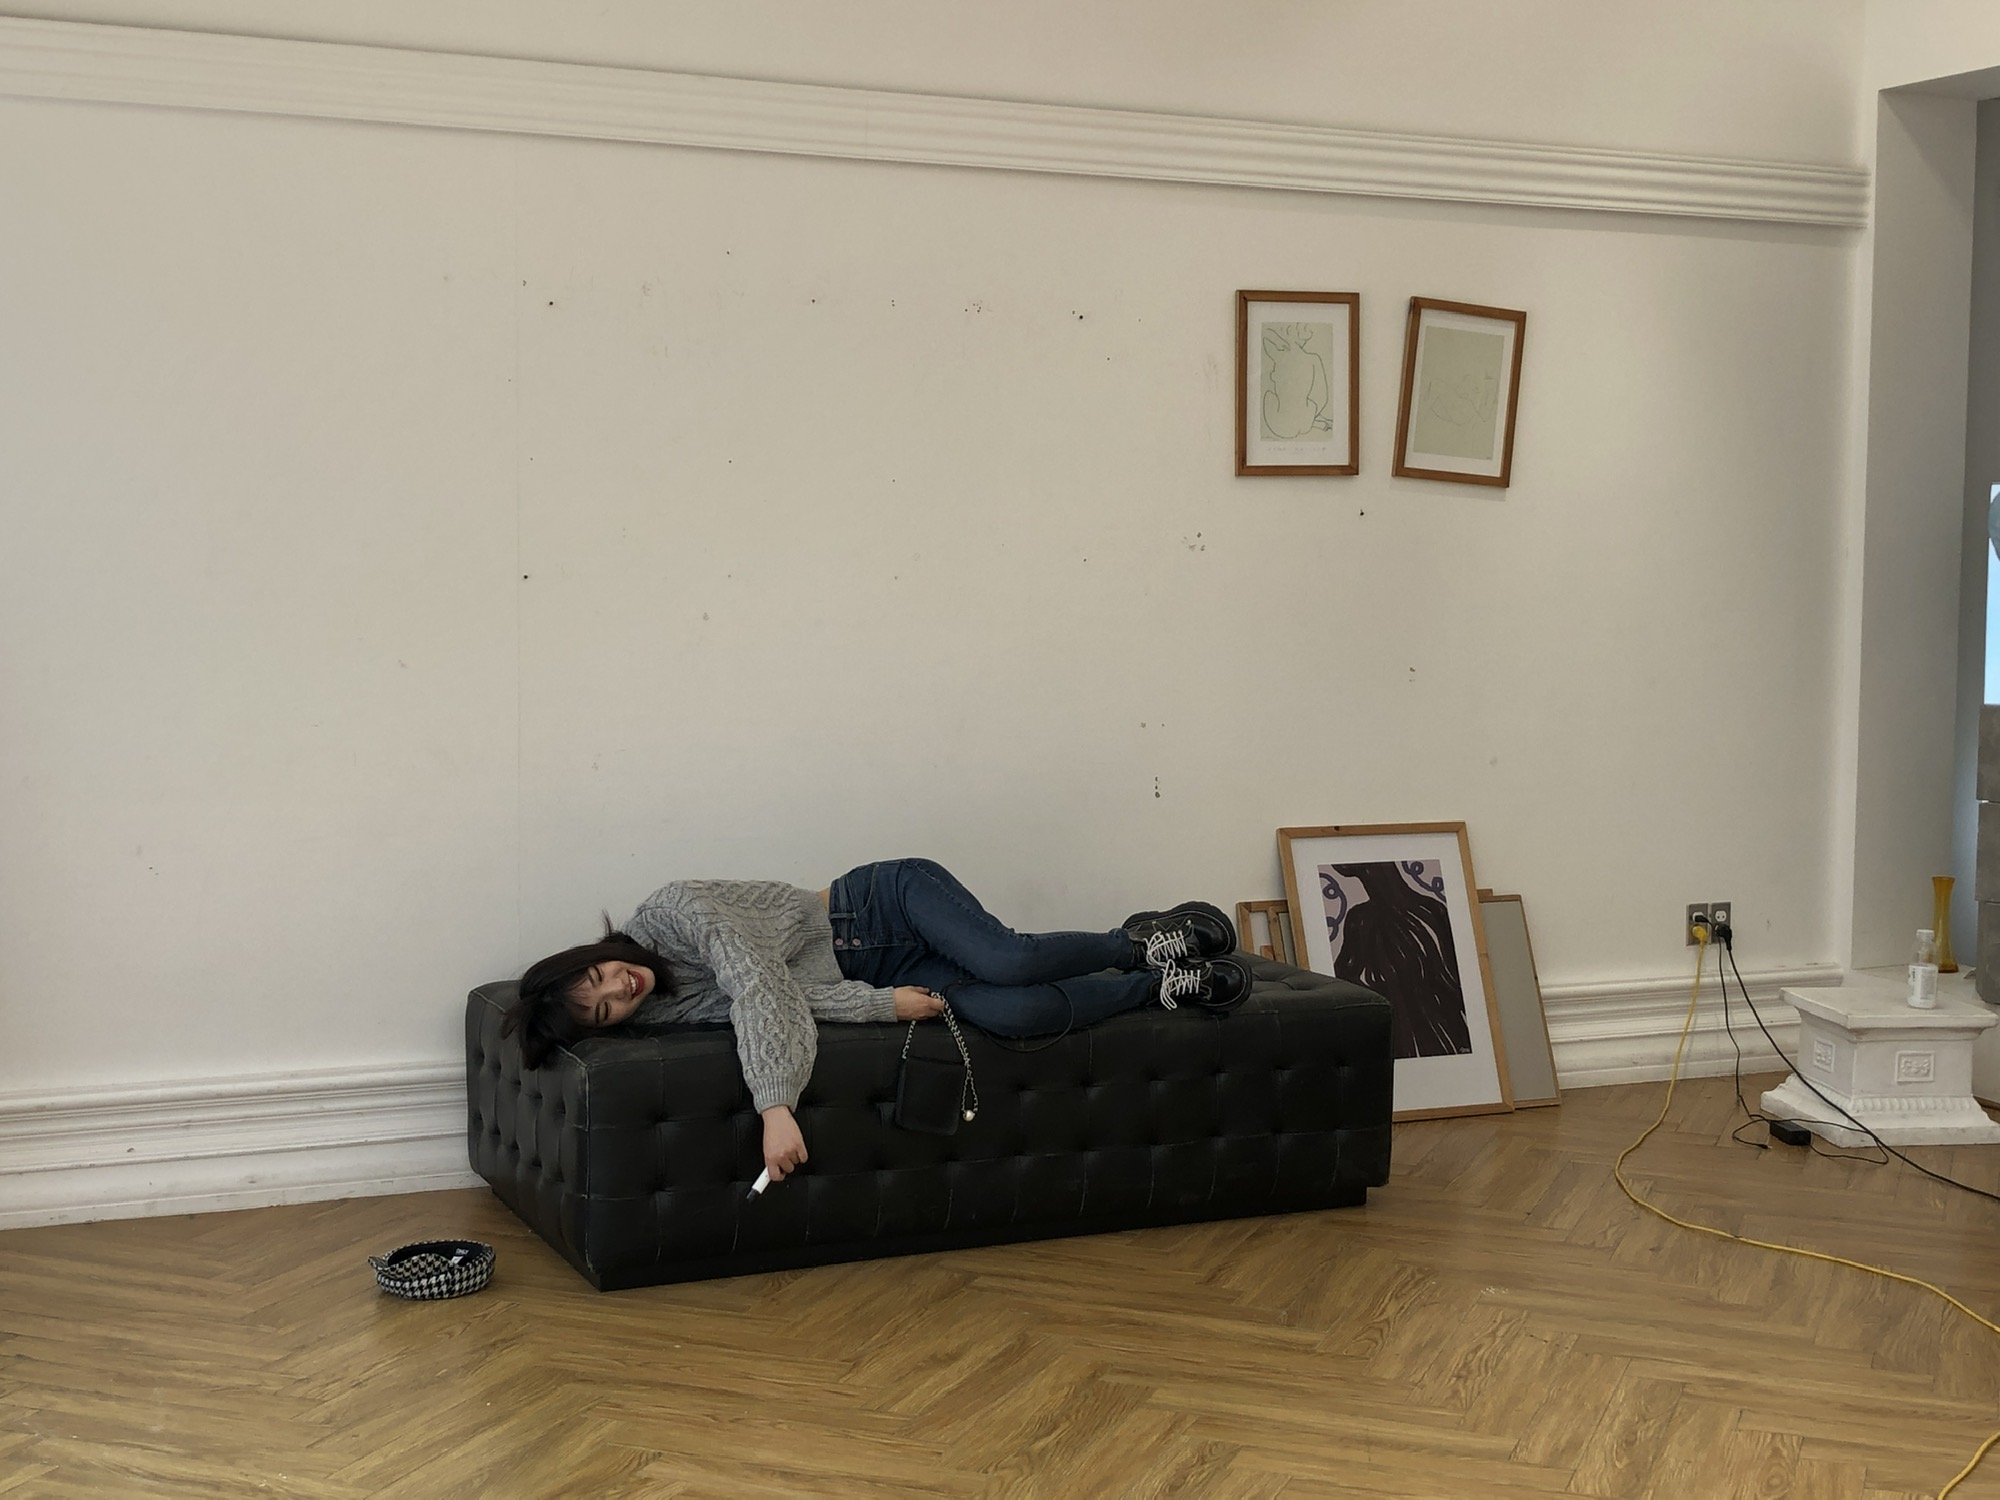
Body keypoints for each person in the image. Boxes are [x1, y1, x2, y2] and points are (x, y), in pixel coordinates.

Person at [502, 857, 1250, 1185]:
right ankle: (1156, 987)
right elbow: (793, 998)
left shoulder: (676, 909)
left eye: (599, 977)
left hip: (884, 905)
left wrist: (775, 1108)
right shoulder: (665, 1010)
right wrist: (882, 1005)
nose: (620, 988)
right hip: (886, 971)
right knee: (1017, 1013)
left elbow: (759, 983)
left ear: (593, 953)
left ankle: (1138, 940)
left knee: (1007, 960)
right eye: (607, 1009)